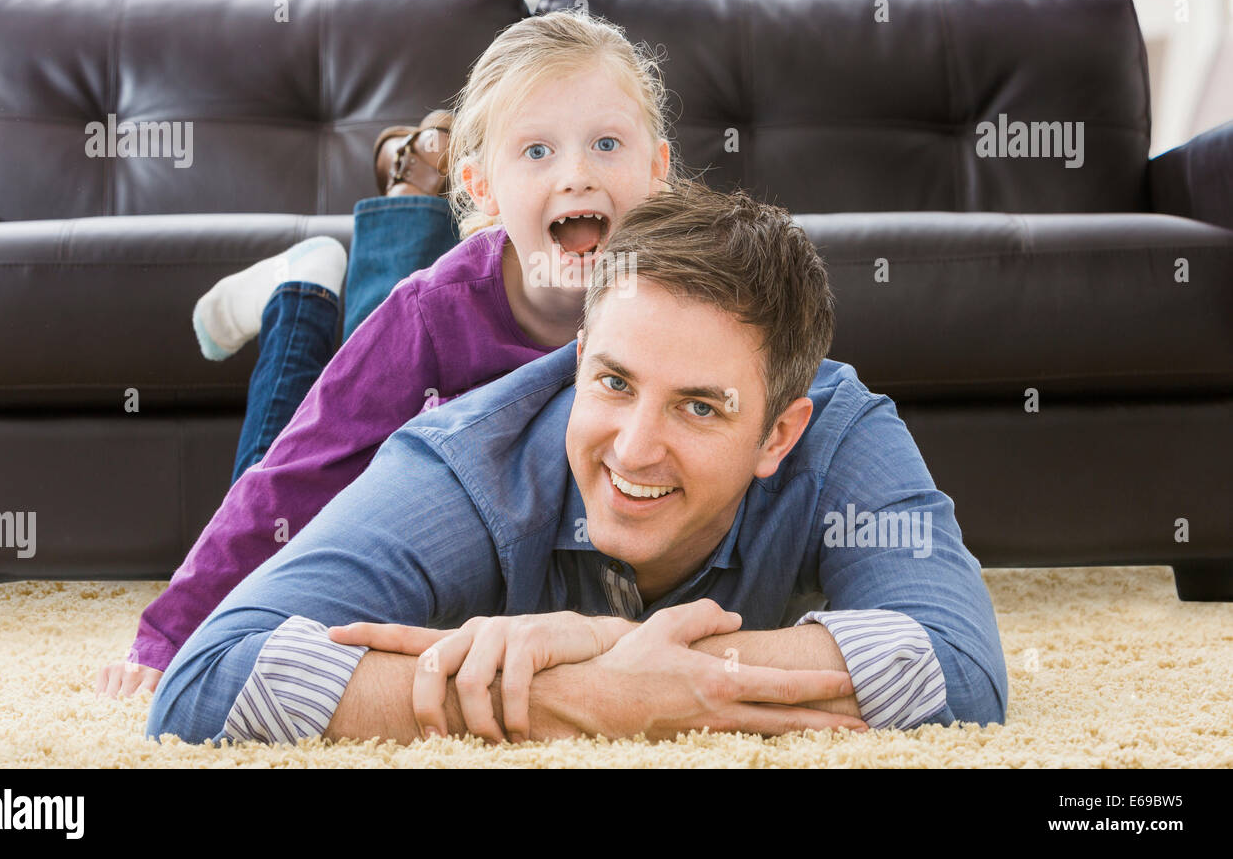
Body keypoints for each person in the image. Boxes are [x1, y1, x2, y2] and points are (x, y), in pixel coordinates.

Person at [145, 182, 1008, 746]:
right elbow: (207, 681)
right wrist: (593, 696)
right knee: (267, 458)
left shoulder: (840, 434)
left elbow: (957, 663)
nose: (634, 449)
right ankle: (303, 293)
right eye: (615, 381)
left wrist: (609, 650)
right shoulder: (464, 464)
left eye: (700, 407)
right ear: (581, 353)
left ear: (779, 434)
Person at [96, 7, 680, 696]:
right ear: (482, 187)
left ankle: (396, 196)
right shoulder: (429, 312)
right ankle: (300, 296)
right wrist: (173, 637)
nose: (579, 174)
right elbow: (299, 471)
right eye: (537, 151)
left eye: (608, 145)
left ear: (657, 169)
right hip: (381, 476)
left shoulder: (679, 296)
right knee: (289, 496)